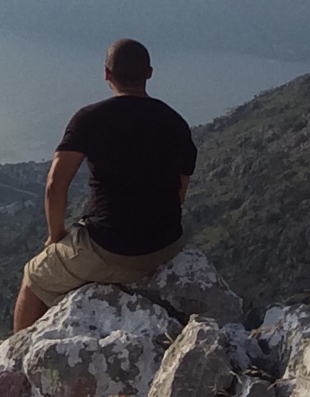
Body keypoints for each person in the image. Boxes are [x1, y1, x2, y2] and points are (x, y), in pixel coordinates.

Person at [12, 38, 197, 331]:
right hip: (166, 245)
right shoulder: (176, 123)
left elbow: (54, 186)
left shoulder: (89, 119)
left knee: (33, 278)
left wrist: (56, 234)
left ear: (106, 74)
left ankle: (16, 364)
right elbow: (180, 192)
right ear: (149, 73)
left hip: (110, 247)